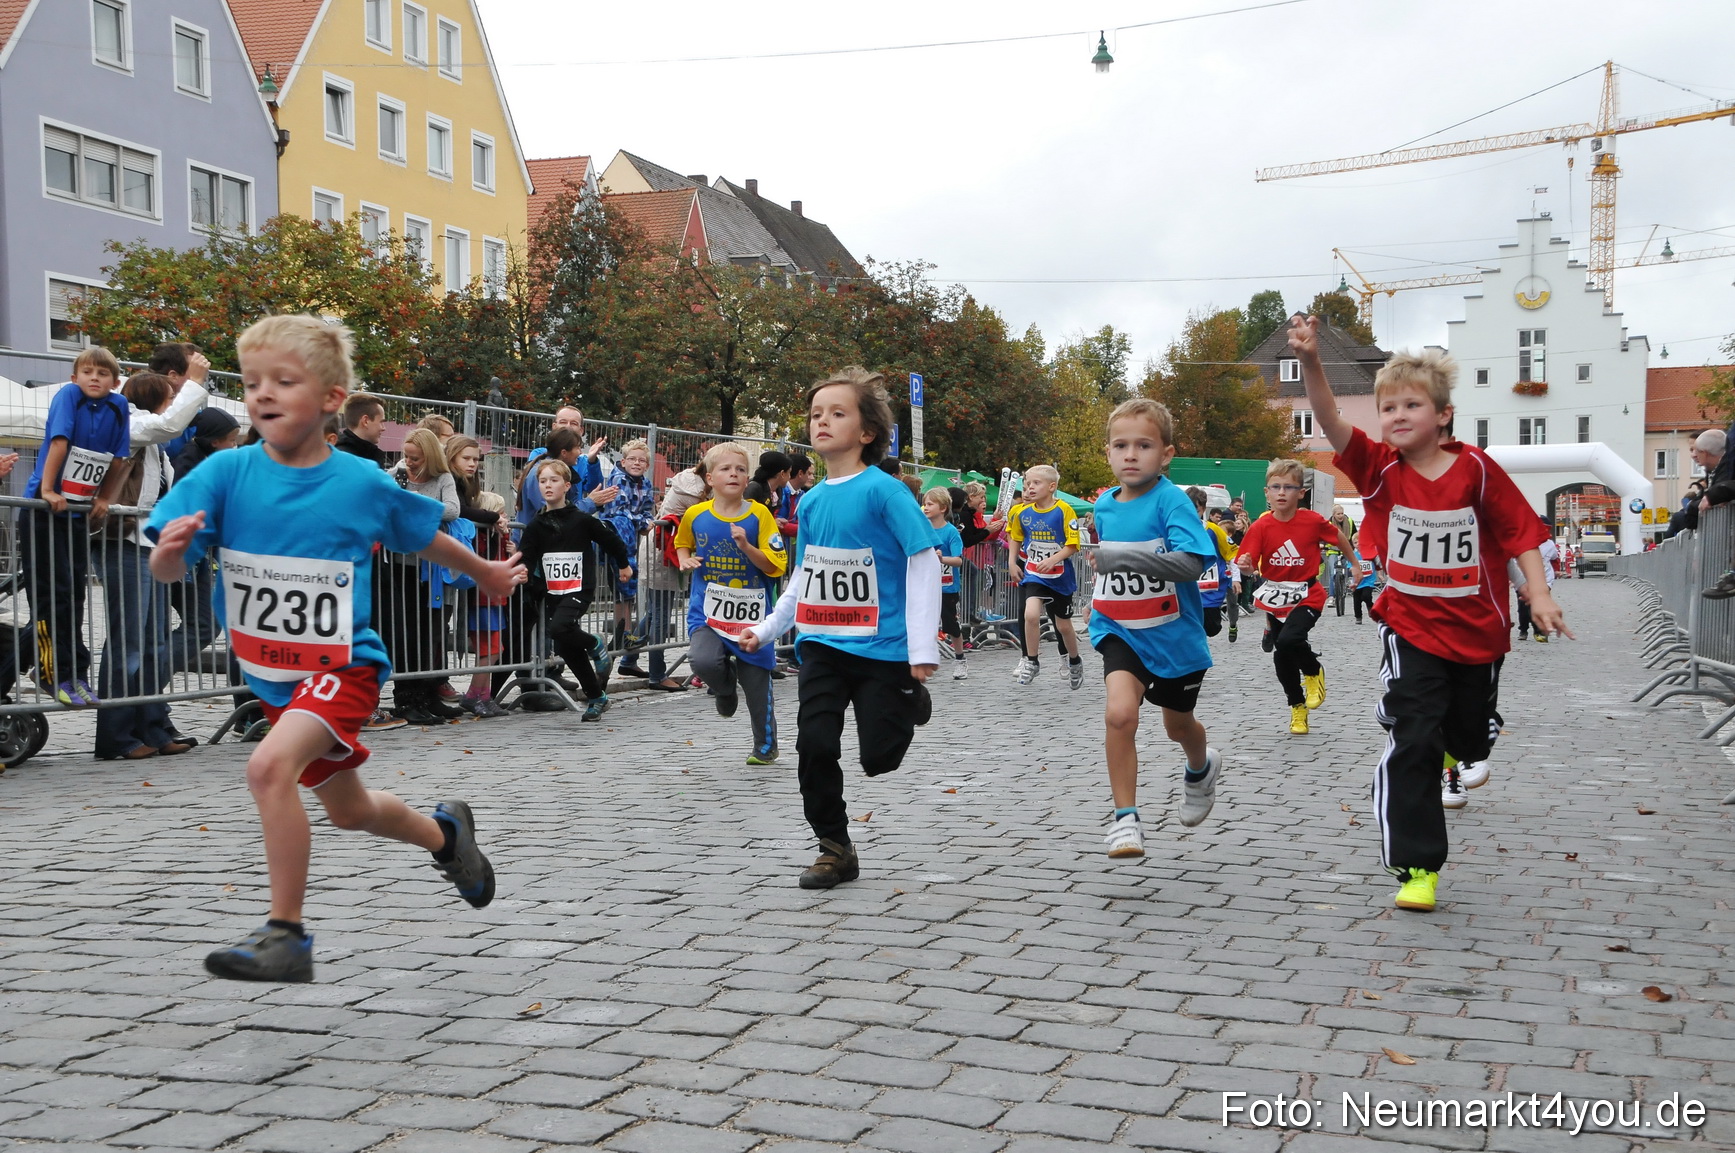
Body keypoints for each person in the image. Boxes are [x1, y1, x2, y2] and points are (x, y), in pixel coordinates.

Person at [147, 314, 524, 982]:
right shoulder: (224, 473)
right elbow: (169, 566)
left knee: (268, 769)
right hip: (273, 678)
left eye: (283, 381)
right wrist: (170, 557)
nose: (264, 393)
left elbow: (423, 534)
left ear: (331, 398)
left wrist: (485, 571)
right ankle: (447, 838)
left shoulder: (360, 480)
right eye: (253, 382)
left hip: (343, 665)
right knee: (349, 811)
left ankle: (285, 934)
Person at [1291, 314, 1565, 912]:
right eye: (1387, 408)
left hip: (1479, 632)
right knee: (1412, 737)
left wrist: (1539, 594)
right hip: (1411, 627)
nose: (1396, 416)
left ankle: (1455, 739)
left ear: (1443, 414)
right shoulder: (1377, 468)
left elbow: (1520, 534)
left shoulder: (1477, 470)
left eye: (1410, 405)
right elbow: (1330, 418)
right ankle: (1417, 867)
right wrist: (1311, 361)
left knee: (1468, 740)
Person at [738, 367, 940, 890]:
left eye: (837, 413)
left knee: (879, 759)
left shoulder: (885, 492)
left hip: (883, 648)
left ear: (867, 431)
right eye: (815, 414)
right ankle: (834, 847)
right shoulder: (811, 500)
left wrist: (922, 648)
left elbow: (923, 560)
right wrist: (768, 628)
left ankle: (909, 698)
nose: (822, 421)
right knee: (814, 743)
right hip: (822, 643)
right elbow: (806, 574)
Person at [1091, 400, 1222, 859]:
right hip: (1119, 627)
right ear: (1108, 452)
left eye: (1143, 446)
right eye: (1120, 445)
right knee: (1119, 715)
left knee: (1177, 726)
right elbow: (1110, 567)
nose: (1131, 455)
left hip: (1172, 636)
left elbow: (1191, 564)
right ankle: (1125, 820)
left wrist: (1122, 559)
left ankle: (1200, 768)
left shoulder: (1172, 501)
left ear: (1166, 454)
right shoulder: (1103, 505)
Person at [94, 369, 207, 760]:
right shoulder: (130, 424)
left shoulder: (154, 442)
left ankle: (152, 728)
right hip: (123, 543)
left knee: (154, 642)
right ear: (155, 399)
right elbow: (169, 425)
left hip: (149, 545)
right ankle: (116, 736)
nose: (174, 405)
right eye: (170, 397)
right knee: (128, 642)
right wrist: (195, 383)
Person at [21, 346, 133, 707]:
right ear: (74, 377)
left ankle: (75, 673)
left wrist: (106, 498)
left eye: (103, 373)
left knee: (74, 594)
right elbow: (59, 441)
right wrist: (48, 489)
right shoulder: (69, 396)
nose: (94, 378)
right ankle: (50, 672)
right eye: (88, 372)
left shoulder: (118, 406)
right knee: (50, 595)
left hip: (76, 512)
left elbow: (120, 458)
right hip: (43, 510)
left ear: (116, 381)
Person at [676, 442, 788, 764]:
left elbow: (776, 565)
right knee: (702, 660)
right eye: (725, 469)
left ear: (747, 477)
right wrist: (684, 559)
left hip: (752, 617)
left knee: (756, 686)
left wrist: (747, 547)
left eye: (740, 469)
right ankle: (725, 690)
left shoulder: (760, 514)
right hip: (708, 612)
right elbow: (682, 542)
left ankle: (765, 747)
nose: (734, 474)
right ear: (710, 478)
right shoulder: (696, 514)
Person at [1235, 459, 1358, 735]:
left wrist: (1355, 564)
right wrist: (1245, 566)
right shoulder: (1261, 526)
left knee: (1289, 640)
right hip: (1276, 596)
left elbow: (1339, 538)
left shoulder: (1311, 521)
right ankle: (1297, 706)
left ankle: (1313, 671)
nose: (1281, 493)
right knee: (1282, 655)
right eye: (1275, 487)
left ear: (1301, 493)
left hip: (1307, 593)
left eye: (1288, 487)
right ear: (1266, 492)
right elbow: (1248, 563)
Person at [517, 459, 632, 721]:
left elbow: (612, 541)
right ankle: (596, 697)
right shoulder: (536, 525)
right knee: (565, 646)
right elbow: (527, 556)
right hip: (554, 590)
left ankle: (595, 643)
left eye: (554, 480)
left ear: (567, 486)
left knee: (559, 628)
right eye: (543, 481)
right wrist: (523, 571)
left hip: (580, 587)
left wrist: (624, 565)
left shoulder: (581, 519)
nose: (547, 485)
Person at [385, 429, 462, 724]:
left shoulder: (442, 478)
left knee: (430, 633)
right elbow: (385, 503)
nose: (409, 462)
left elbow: (453, 510)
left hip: (431, 568)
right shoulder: (396, 474)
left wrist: (416, 503)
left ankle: (428, 696)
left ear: (429, 456)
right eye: (406, 456)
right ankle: (407, 698)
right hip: (401, 563)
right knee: (407, 634)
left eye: (415, 458)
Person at [1008, 465, 1084, 689]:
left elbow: (1073, 544)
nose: (1030, 488)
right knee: (1030, 614)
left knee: (1063, 626)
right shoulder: (1022, 512)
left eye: (1036, 483)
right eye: (1027, 484)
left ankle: (1074, 661)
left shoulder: (1064, 510)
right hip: (1035, 573)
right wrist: (1012, 562)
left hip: (1059, 576)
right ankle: (1031, 660)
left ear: (1052, 487)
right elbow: (1015, 537)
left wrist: (1053, 559)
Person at [606, 439, 657, 676]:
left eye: (642, 460)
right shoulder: (618, 479)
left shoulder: (645, 483)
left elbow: (647, 509)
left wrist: (645, 520)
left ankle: (625, 634)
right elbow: (619, 511)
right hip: (615, 540)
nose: (637, 463)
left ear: (647, 465)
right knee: (621, 588)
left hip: (631, 542)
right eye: (632, 459)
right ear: (624, 461)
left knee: (628, 590)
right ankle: (622, 634)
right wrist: (642, 522)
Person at [922, 488, 968, 679]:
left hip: (947, 587)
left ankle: (960, 660)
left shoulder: (950, 532)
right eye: (924, 503)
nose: (925, 507)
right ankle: (924, 661)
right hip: (926, 586)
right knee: (924, 624)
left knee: (951, 625)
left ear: (942, 508)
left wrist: (942, 559)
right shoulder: (922, 529)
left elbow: (958, 560)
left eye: (930, 504)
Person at [1187, 487, 1240, 640]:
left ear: (1203, 509)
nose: (1191, 513)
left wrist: (1236, 579)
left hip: (1210, 589)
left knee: (1211, 628)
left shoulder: (1214, 530)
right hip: (1187, 588)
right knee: (1191, 628)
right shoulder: (1176, 528)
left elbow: (1232, 553)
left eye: (1196, 509)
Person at [334, 393, 388, 468]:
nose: (384, 428)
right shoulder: (348, 461)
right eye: (381, 422)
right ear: (365, 421)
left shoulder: (336, 455)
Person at [1352, 551, 1380, 623]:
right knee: (1357, 600)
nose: (1358, 545)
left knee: (1366, 596)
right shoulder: (1353, 555)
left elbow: (1378, 565)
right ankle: (1358, 616)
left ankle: (1370, 606)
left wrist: (1379, 574)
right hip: (1357, 582)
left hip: (1368, 581)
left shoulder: (1370, 553)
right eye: (1356, 544)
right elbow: (1350, 566)